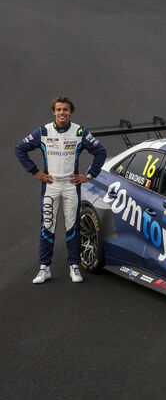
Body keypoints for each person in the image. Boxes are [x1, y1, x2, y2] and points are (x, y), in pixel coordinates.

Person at [16, 96, 108, 284]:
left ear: (70, 112)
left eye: (65, 110)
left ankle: (74, 266)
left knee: (72, 226)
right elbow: (20, 149)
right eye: (58, 110)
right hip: (50, 185)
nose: (62, 113)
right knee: (47, 224)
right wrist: (35, 172)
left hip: (70, 185)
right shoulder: (42, 131)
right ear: (53, 112)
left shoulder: (80, 131)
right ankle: (44, 268)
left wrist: (89, 176)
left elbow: (101, 151)